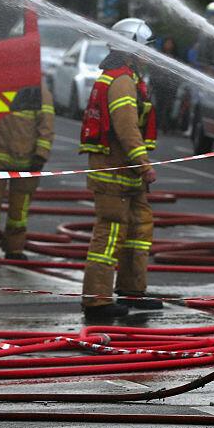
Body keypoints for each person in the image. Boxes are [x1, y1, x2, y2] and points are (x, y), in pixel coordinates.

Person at [79, 18, 162, 321]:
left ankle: (132, 290)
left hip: (127, 173)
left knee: (139, 228)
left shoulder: (127, 76)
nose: (149, 53)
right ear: (132, 46)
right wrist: (145, 165)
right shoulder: (122, 81)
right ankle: (97, 301)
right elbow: (126, 128)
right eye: (146, 47)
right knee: (110, 231)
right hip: (116, 171)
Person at [0, 82, 54, 260]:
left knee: (18, 214)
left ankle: (14, 250)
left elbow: (46, 126)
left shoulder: (39, 92)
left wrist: (40, 156)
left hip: (24, 163)